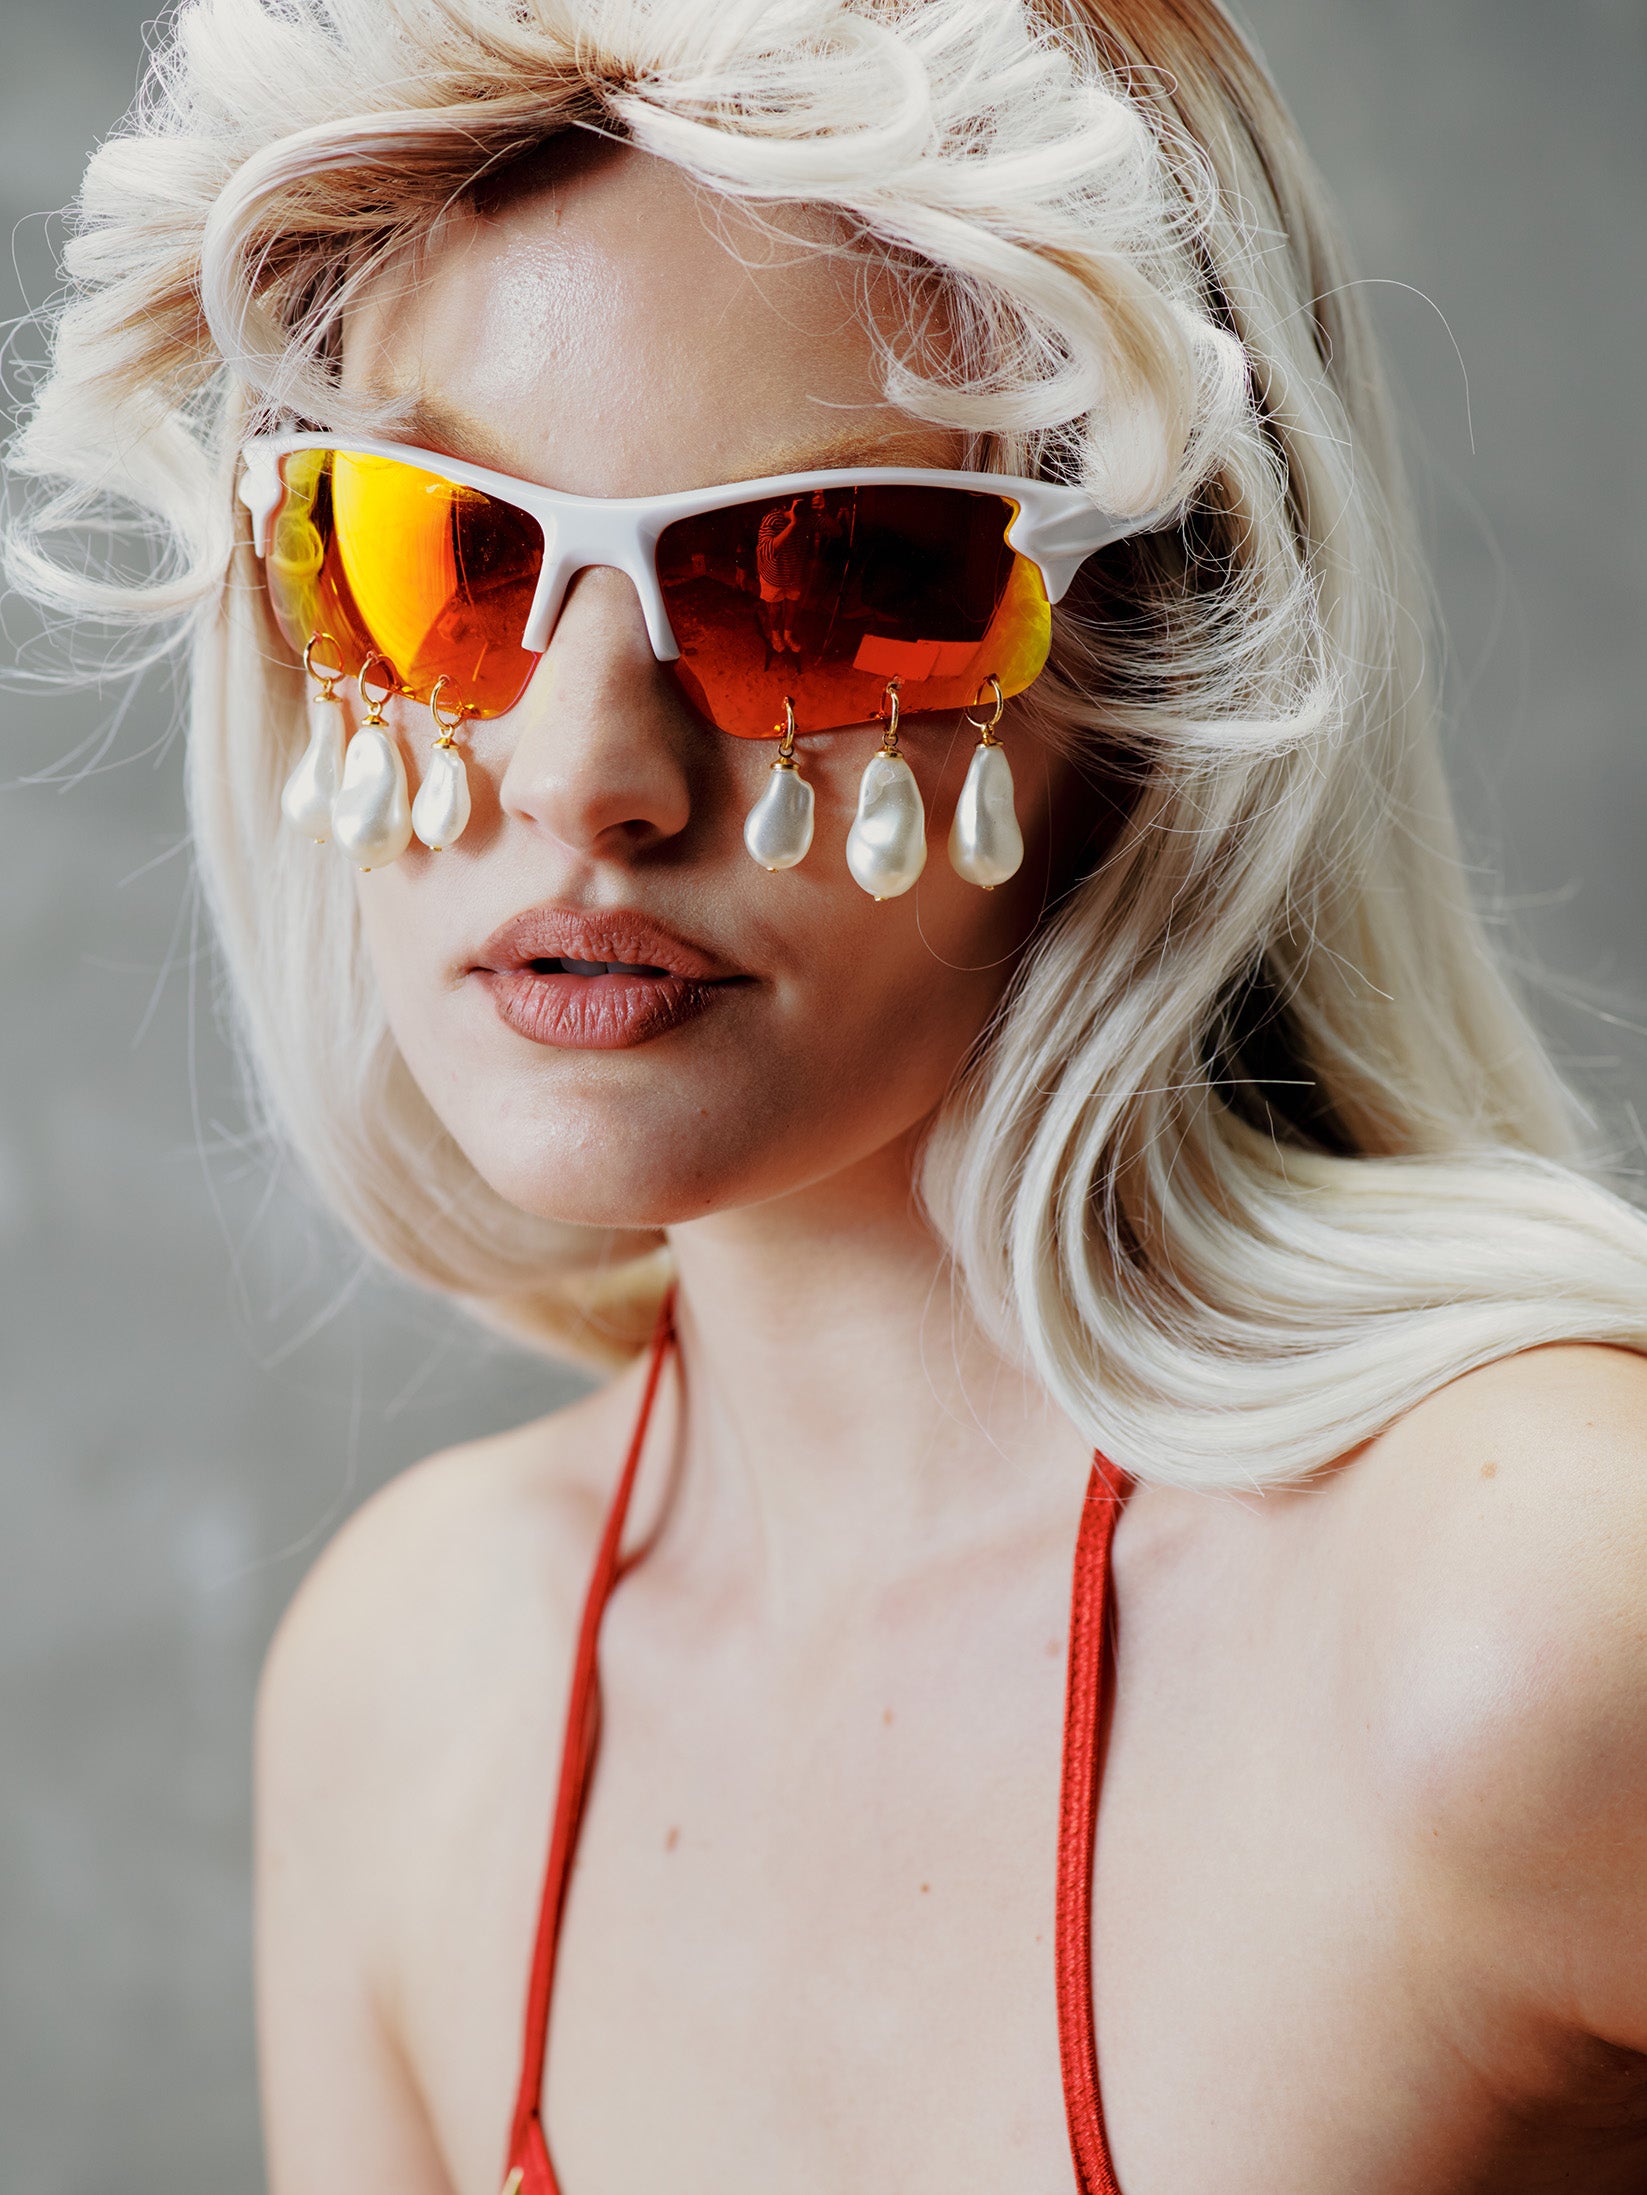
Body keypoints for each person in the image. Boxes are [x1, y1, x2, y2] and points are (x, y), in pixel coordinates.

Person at [10, 0, 1647, 2188]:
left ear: (1151, 674)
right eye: (440, 556)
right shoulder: (406, 1698)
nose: (586, 773)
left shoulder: (1529, 1618)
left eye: (830, 582)